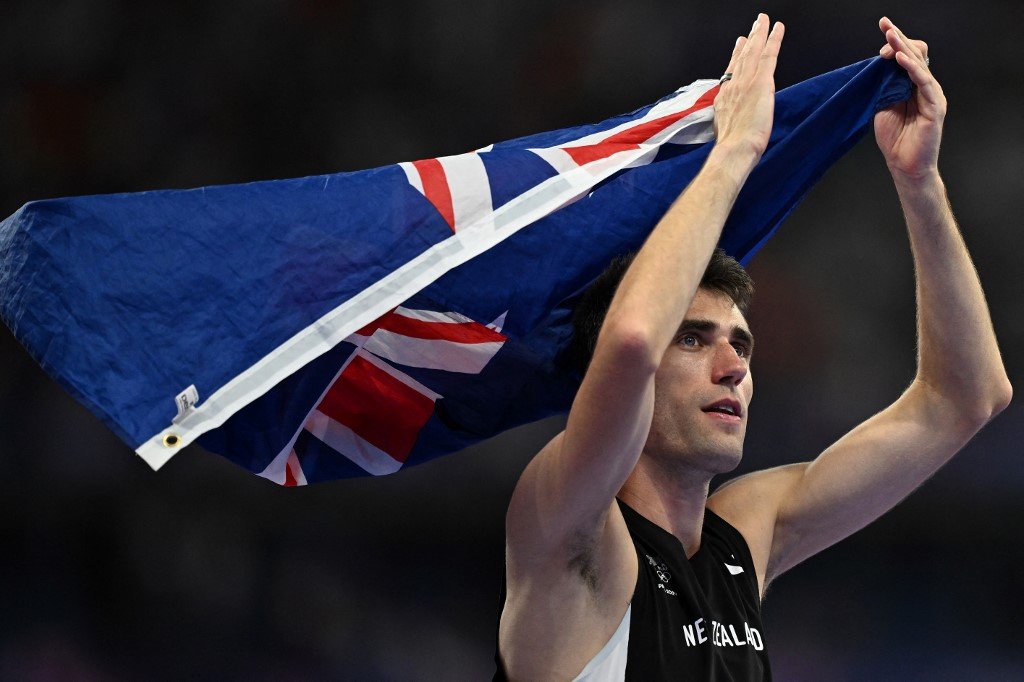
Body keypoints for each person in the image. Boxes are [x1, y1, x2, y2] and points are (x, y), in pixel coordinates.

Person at [493, 13, 1012, 681]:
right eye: (693, 338)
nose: (734, 365)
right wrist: (733, 152)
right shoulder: (569, 532)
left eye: (741, 343)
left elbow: (964, 398)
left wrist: (921, 185)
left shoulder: (746, 532)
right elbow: (627, 342)